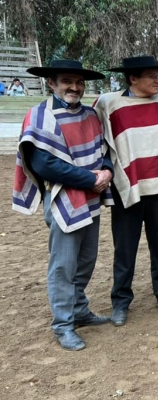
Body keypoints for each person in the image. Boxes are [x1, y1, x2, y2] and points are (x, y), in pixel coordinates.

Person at [12, 60, 112, 350]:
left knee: (86, 260)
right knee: (63, 265)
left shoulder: (91, 115)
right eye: (67, 81)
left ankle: (79, 310)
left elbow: (103, 150)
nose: (75, 87)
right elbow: (43, 164)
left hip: (90, 198)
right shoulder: (40, 116)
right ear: (52, 84)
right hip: (62, 200)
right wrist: (89, 178)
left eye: (79, 82)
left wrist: (106, 172)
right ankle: (63, 324)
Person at [94, 55, 158, 326]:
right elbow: (96, 138)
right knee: (125, 248)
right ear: (133, 78)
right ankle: (120, 302)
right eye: (151, 75)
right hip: (126, 188)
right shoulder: (108, 104)